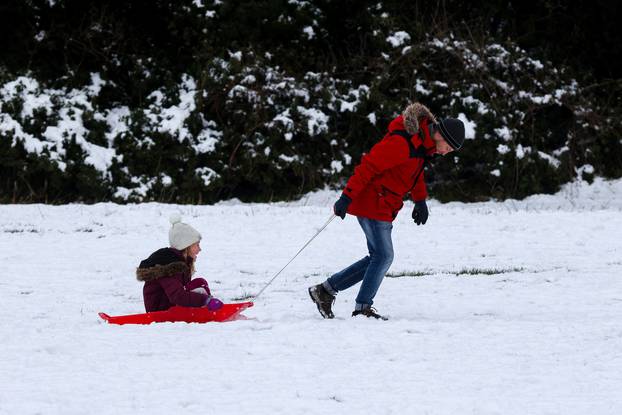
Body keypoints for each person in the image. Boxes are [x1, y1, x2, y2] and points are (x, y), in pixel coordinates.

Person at [308, 102, 465, 320]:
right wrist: (346, 197)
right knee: (383, 256)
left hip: (385, 205)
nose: (447, 153)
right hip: (372, 202)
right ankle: (362, 308)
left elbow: (416, 173)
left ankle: (324, 290)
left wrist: (420, 201)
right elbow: (368, 167)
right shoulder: (402, 143)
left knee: (377, 258)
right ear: (439, 134)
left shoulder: (422, 147)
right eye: (448, 147)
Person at [136, 215, 224, 312]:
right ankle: (206, 307)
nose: (200, 249)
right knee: (199, 287)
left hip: (169, 305)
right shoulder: (168, 264)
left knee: (199, 283)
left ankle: (207, 308)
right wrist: (205, 300)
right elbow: (177, 296)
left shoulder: (181, 262)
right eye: (197, 245)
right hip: (160, 311)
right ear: (186, 246)